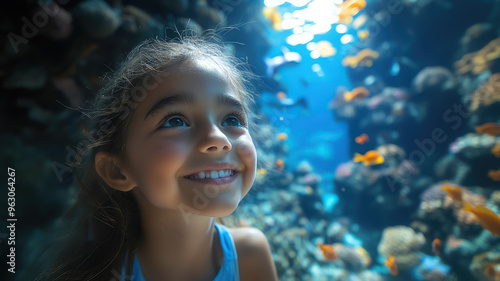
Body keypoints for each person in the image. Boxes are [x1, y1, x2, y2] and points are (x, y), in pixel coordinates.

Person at [37, 36, 279, 281]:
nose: (218, 138)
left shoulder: (251, 255)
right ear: (116, 171)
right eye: (175, 121)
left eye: (232, 120)